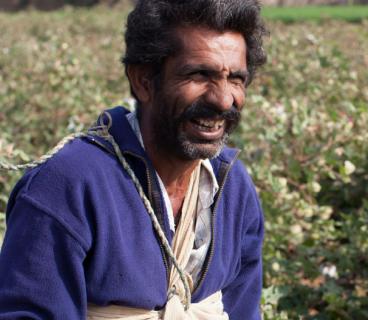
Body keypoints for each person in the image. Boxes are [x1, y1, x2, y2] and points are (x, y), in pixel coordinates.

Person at [0, 0, 267, 319]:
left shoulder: (233, 187)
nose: (224, 99)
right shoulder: (67, 186)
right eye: (199, 75)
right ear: (143, 81)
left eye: (236, 79)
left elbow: (244, 310)